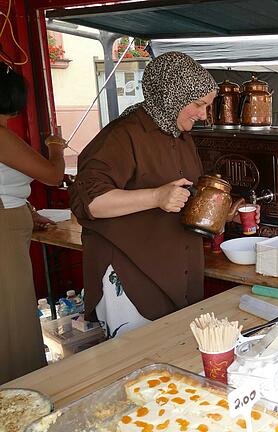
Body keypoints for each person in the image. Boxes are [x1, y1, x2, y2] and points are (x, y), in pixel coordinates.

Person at [70, 52, 247, 337]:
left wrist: (226, 212)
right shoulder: (121, 135)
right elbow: (90, 203)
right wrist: (155, 197)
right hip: (132, 276)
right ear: (170, 96)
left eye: (208, 105)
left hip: (175, 271)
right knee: (135, 365)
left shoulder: (180, 135)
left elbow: (186, 198)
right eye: (198, 104)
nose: (203, 114)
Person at [0, 63, 66, 383]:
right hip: (4, 230)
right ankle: (21, 388)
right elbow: (52, 176)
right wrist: (56, 147)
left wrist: (26, 210)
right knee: (12, 317)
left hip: (12, 220)